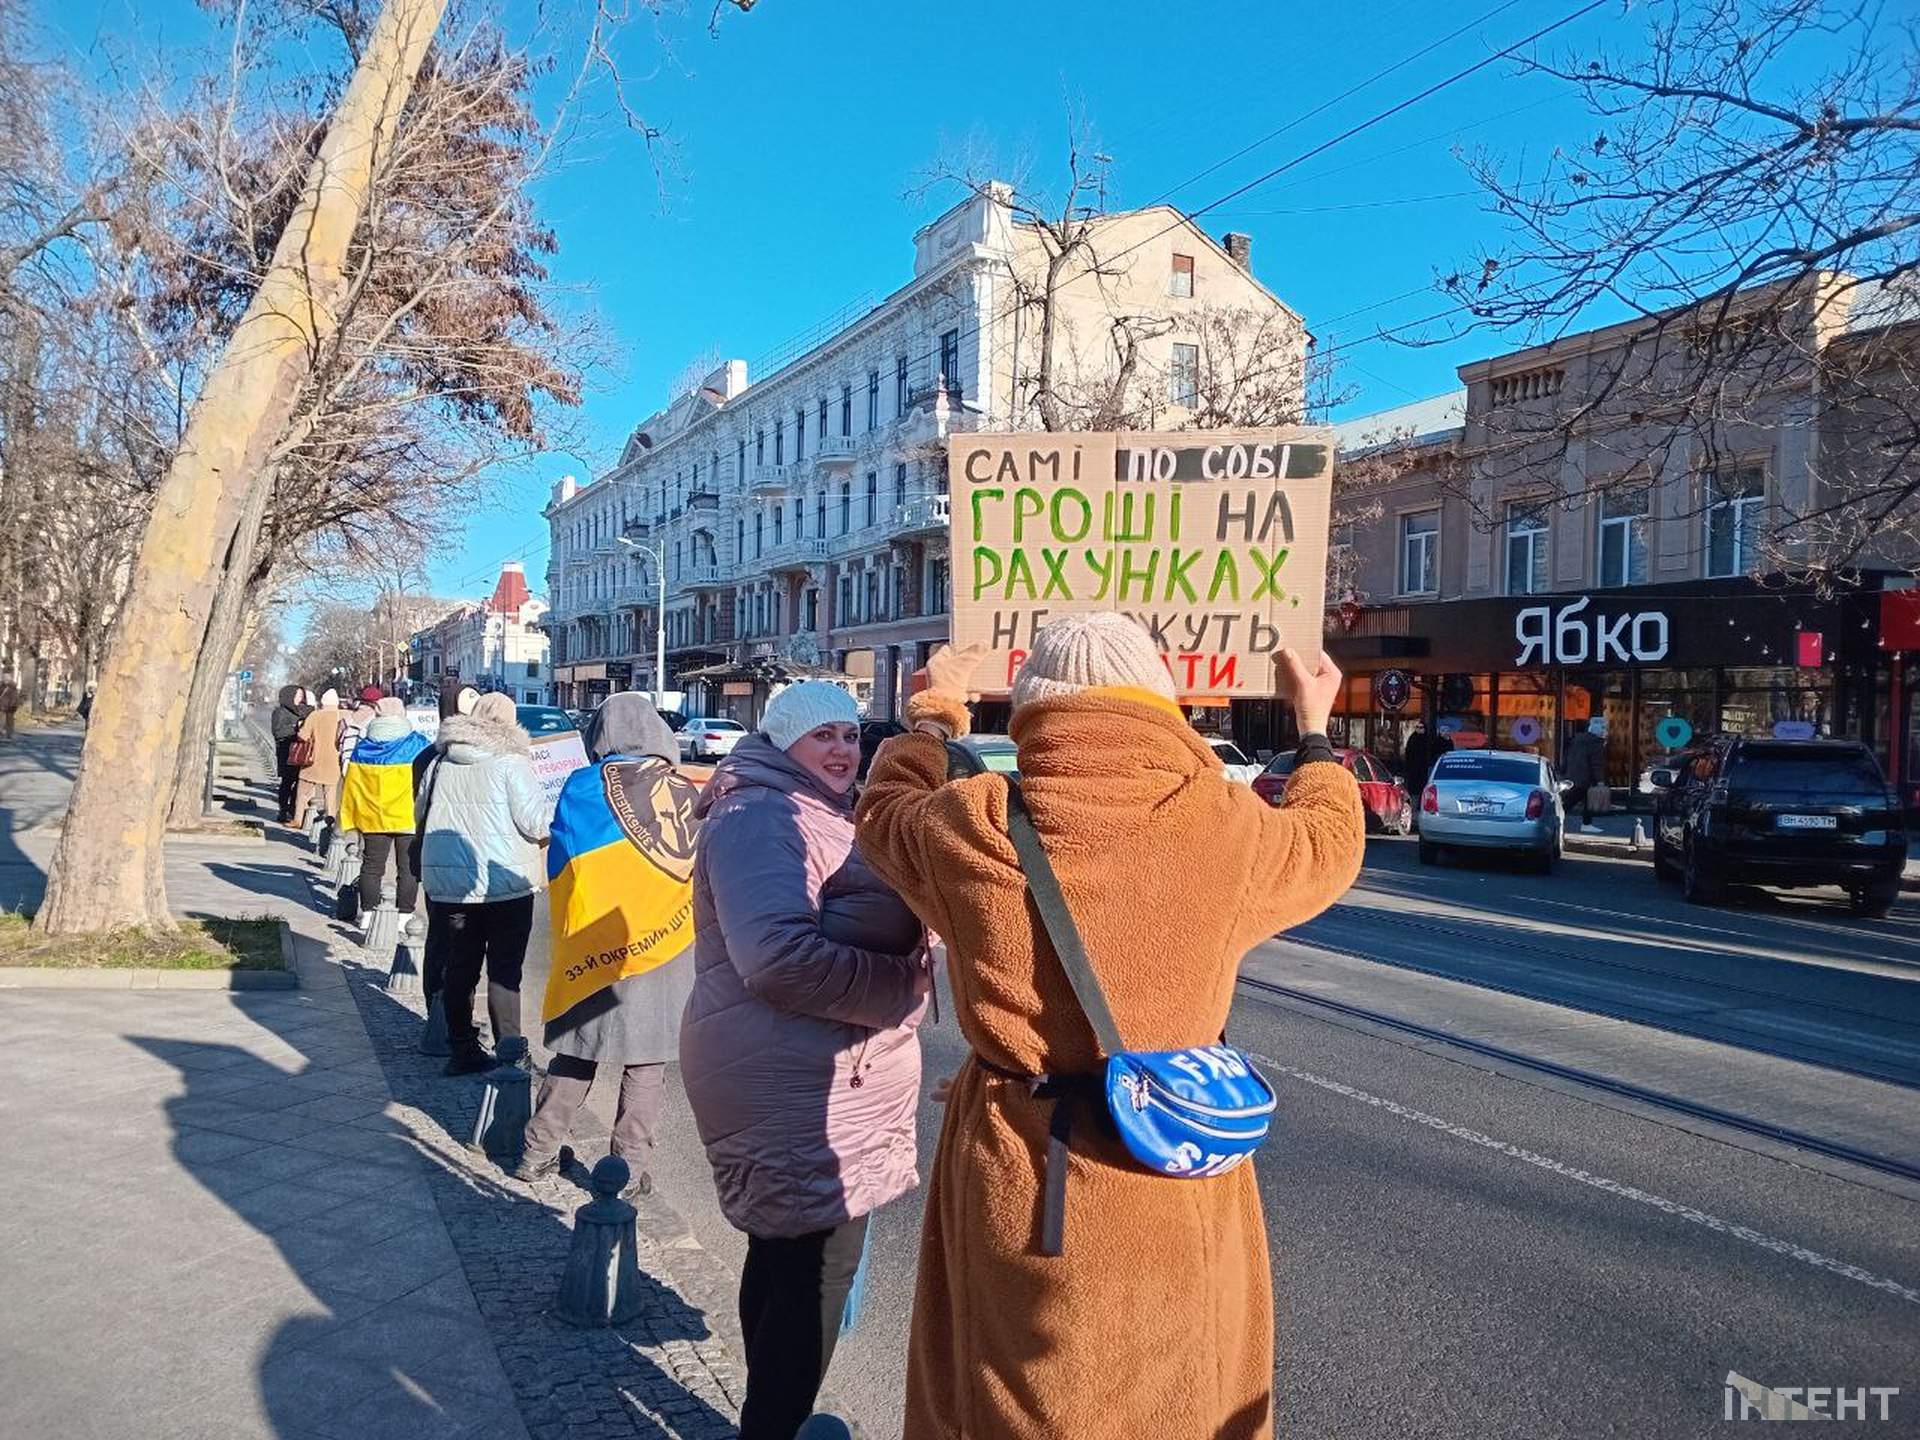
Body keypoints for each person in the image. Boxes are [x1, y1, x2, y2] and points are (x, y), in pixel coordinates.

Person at [855, 613, 1366, 1440]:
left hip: (1024, 1166)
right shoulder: (1223, 825)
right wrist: (1312, 730)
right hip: (1176, 1162)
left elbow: (881, 811)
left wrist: (935, 711)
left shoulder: (974, 823)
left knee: (1014, 1398)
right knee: (1180, 1395)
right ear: (1159, 705)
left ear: (1030, 711)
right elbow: (1333, 840)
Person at [681, 680, 931, 1440]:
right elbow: (780, 961)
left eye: (850, 736)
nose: (842, 750)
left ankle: (769, 1417)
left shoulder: (808, 807)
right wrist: (904, 989)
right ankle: (774, 1427)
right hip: (789, 1080)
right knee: (813, 1273)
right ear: (782, 741)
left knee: (786, 1257)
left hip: (800, 1070)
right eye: (822, 735)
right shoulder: (762, 815)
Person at [517, 693, 701, 1191]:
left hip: (593, 944)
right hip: (664, 944)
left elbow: (562, 858)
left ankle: (537, 1151)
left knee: (578, 1052)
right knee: (646, 1062)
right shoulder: (684, 792)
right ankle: (626, 1171)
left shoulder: (580, 785)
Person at [417, 691, 549, 1076]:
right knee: (505, 969)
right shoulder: (512, 762)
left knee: (459, 965)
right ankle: (509, 1052)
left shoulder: (441, 761)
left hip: (449, 884)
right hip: (503, 879)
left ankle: (461, 1049)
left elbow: (420, 810)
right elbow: (535, 822)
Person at [338, 698, 430, 932]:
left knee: (371, 866)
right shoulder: (418, 744)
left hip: (373, 816)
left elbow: (352, 784)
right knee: (408, 869)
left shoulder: (363, 747)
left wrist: (352, 815)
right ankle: (404, 917)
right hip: (407, 816)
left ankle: (368, 914)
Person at [293, 689, 348, 830]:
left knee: (303, 791)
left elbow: (303, 736)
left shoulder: (315, 716)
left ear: (322, 702)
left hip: (313, 760)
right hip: (333, 761)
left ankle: (298, 819)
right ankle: (330, 822)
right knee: (330, 795)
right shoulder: (343, 716)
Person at [1563, 716, 1610, 834]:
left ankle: (1585, 823)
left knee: (1577, 800)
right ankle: (1584, 823)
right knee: (1574, 800)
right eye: (1605, 728)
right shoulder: (1596, 743)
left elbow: (1568, 758)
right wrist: (1600, 780)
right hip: (1586, 778)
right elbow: (1596, 764)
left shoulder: (1577, 741)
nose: (1606, 731)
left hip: (1574, 775)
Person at [270, 686, 311, 823]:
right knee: (287, 782)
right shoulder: (280, 712)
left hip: (302, 752)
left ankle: (294, 810)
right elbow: (278, 733)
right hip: (286, 751)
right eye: (297, 695)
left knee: (300, 782)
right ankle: (283, 810)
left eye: (301, 695)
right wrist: (296, 727)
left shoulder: (305, 710)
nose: (300, 698)